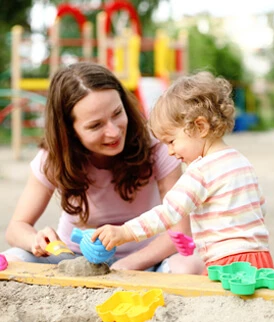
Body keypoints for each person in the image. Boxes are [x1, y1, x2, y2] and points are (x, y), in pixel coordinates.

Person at [3, 62, 204, 274]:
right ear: (69, 131)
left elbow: (180, 233)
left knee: (190, 264)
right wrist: (35, 239)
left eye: (117, 113)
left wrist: (127, 265)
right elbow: (16, 227)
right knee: (12, 259)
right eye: (95, 125)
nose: (114, 132)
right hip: (73, 258)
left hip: (145, 258)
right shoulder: (52, 159)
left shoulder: (158, 146)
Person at [92, 71, 274, 274]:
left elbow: (168, 213)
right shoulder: (241, 162)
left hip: (226, 263)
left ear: (200, 126)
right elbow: (259, 206)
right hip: (261, 258)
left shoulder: (200, 171)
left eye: (171, 141)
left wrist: (125, 231)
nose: (170, 151)